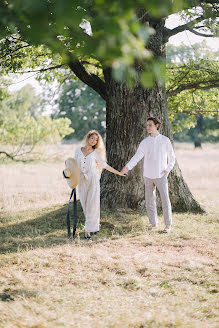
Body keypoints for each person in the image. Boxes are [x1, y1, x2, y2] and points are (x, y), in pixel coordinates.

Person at [121, 117, 175, 233]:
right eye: (147, 125)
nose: (148, 127)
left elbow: (172, 158)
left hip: (161, 175)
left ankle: (167, 225)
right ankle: (153, 223)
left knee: (165, 200)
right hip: (148, 176)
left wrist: (167, 170)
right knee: (149, 200)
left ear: (156, 126)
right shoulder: (145, 142)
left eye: (150, 125)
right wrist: (127, 167)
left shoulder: (165, 140)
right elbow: (137, 156)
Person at [75, 130, 125, 240]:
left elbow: (105, 165)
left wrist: (118, 172)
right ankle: (94, 227)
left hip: (93, 180)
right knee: (84, 204)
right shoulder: (78, 150)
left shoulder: (95, 153)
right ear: (88, 138)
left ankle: (87, 231)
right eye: (92, 138)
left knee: (92, 205)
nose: (94, 141)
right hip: (82, 180)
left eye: (96, 140)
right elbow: (74, 164)